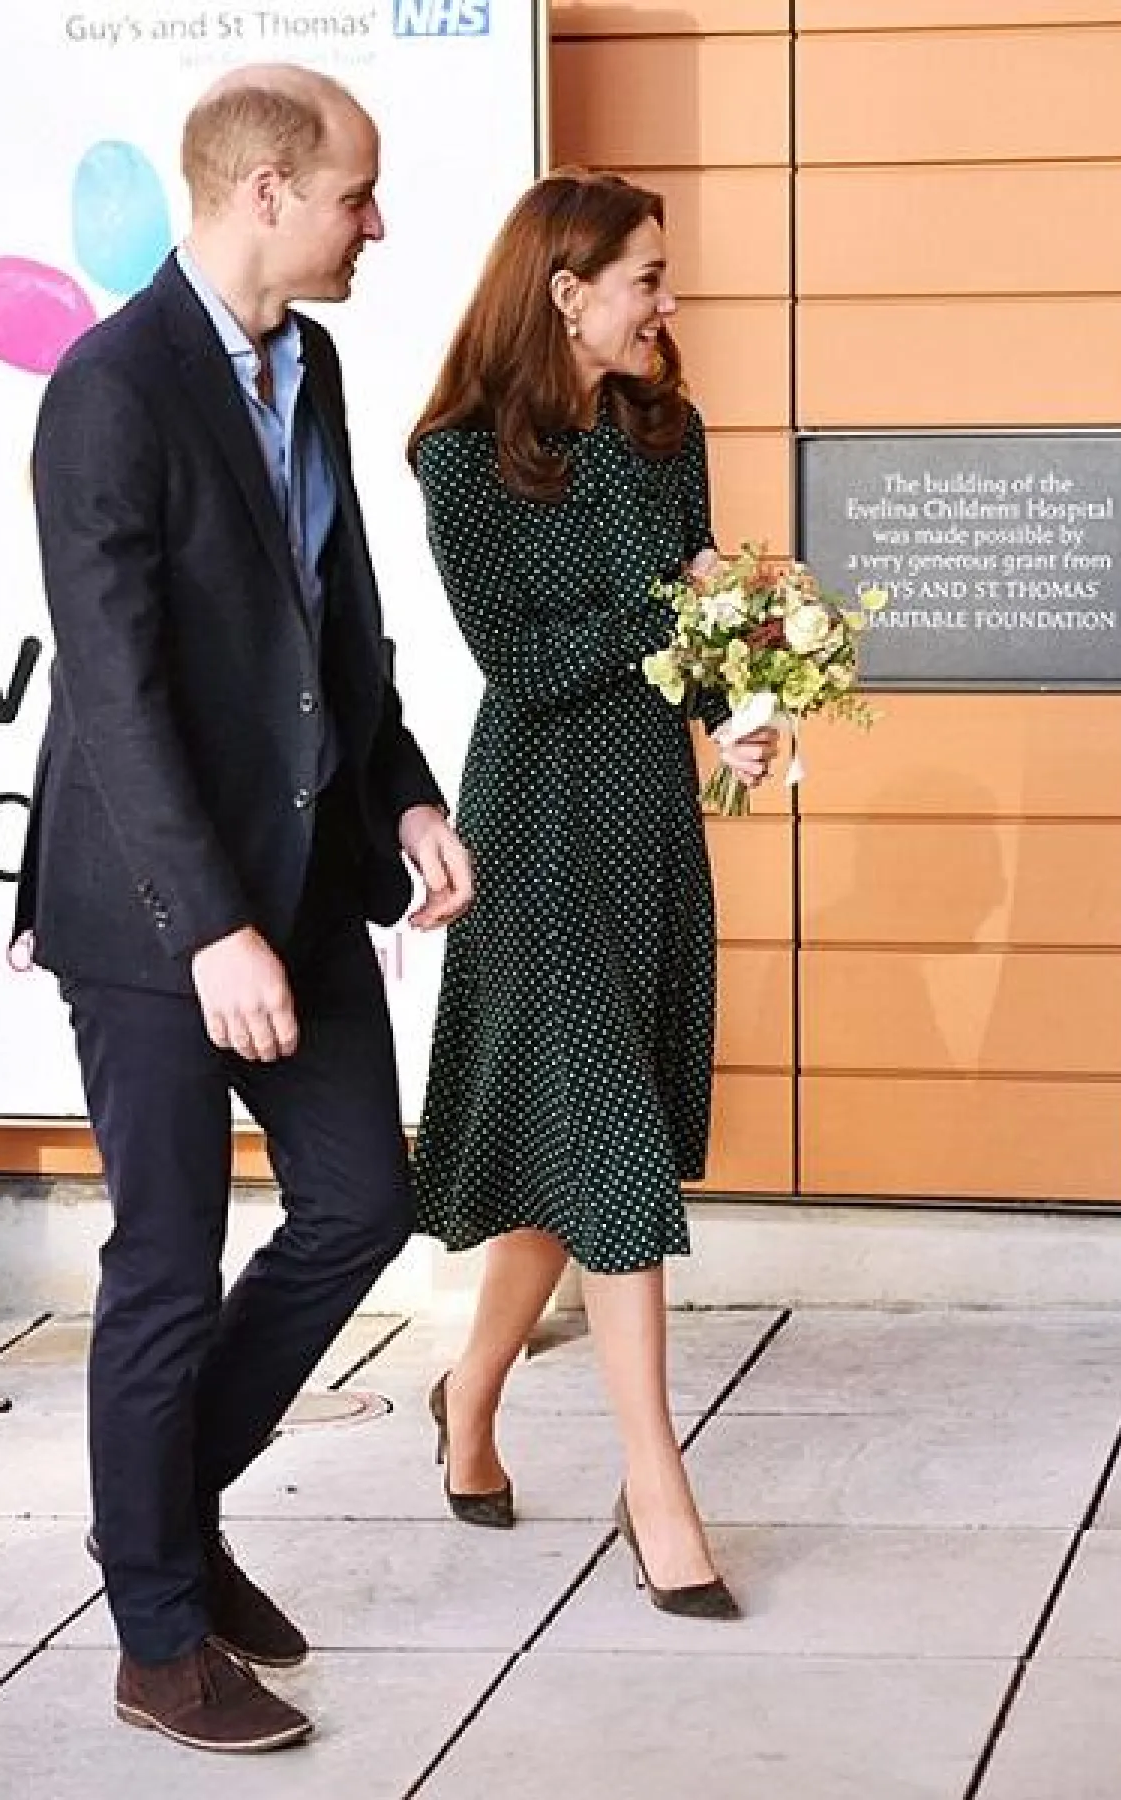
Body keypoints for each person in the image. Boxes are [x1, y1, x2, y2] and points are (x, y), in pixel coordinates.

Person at [14, 64, 471, 1753]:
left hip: (300, 872)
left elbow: (339, 624)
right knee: (165, 1262)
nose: (377, 224)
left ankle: (159, 1519)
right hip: (156, 911)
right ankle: (157, 1638)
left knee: (361, 1201)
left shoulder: (311, 364)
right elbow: (116, 687)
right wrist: (210, 928)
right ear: (267, 191)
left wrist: (404, 791)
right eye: (357, 194)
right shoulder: (111, 388)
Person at [407, 171, 775, 1617]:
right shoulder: (457, 456)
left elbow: (702, 629)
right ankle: (657, 1488)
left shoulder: (669, 427)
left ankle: (469, 1395)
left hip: (651, 825)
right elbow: (523, 660)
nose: (667, 304)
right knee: (612, 1148)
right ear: (568, 292)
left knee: (575, 1157)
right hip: (537, 831)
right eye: (646, 279)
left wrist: (738, 707)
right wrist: (675, 608)